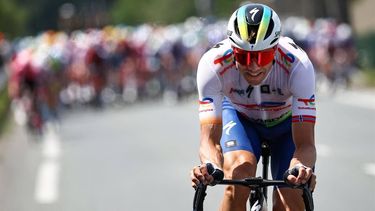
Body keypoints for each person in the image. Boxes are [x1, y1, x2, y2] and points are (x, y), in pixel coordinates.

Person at [190, 3, 317, 211]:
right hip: (241, 118)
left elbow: (306, 145)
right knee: (237, 177)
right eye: (243, 56)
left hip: (286, 125)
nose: (254, 66)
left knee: (291, 194)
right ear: (232, 48)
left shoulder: (298, 66)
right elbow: (209, 141)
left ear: (276, 48)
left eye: (263, 56)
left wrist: (301, 168)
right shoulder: (212, 65)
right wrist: (209, 167)